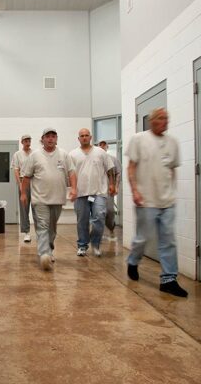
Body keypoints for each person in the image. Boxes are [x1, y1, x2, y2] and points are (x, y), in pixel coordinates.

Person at [126, 108, 187, 297]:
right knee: (143, 238)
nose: (165, 121)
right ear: (151, 121)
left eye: (167, 118)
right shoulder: (138, 139)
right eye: (161, 118)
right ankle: (133, 261)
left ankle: (169, 279)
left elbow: (172, 170)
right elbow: (131, 168)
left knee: (168, 240)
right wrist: (135, 190)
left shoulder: (173, 142)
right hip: (146, 200)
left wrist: (172, 192)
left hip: (167, 201)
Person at [21, 128, 77, 270]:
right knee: (43, 226)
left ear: (56, 138)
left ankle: (49, 249)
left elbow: (71, 173)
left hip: (57, 199)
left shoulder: (64, 154)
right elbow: (26, 177)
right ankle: (44, 254)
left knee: (52, 228)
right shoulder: (35, 155)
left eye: (53, 136)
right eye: (48, 136)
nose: (50, 139)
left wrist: (74, 189)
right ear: (43, 139)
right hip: (39, 199)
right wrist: (23, 194)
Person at [69, 129, 115, 257]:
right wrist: (71, 189)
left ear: (91, 137)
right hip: (80, 193)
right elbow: (70, 173)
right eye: (81, 136)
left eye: (86, 135)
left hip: (99, 192)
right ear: (78, 138)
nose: (84, 138)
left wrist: (111, 184)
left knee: (99, 217)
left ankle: (96, 244)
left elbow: (110, 169)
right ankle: (82, 245)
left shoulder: (100, 152)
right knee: (82, 221)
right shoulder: (73, 154)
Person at [11, 134, 33, 243]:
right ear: (22, 142)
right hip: (23, 181)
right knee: (24, 208)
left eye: (29, 140)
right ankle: (26, 232)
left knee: (38, 206)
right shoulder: (17, 155)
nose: (27, 142)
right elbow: (16, 170)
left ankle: (40, 231)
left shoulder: (35, 154)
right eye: (25, 140)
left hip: (34, 182)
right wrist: (20, 184)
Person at [98, 140, 122, 241]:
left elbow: (118, 173)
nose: (103, 146)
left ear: (107, 147)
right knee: (97, 213)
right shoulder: (94, 159)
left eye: (105, 145)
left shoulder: (113, 159)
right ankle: (99, 235)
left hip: (108, 190)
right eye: (101, 145)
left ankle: (111, 227)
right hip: (96, 191)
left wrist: (116, 186)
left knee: (110, 211)